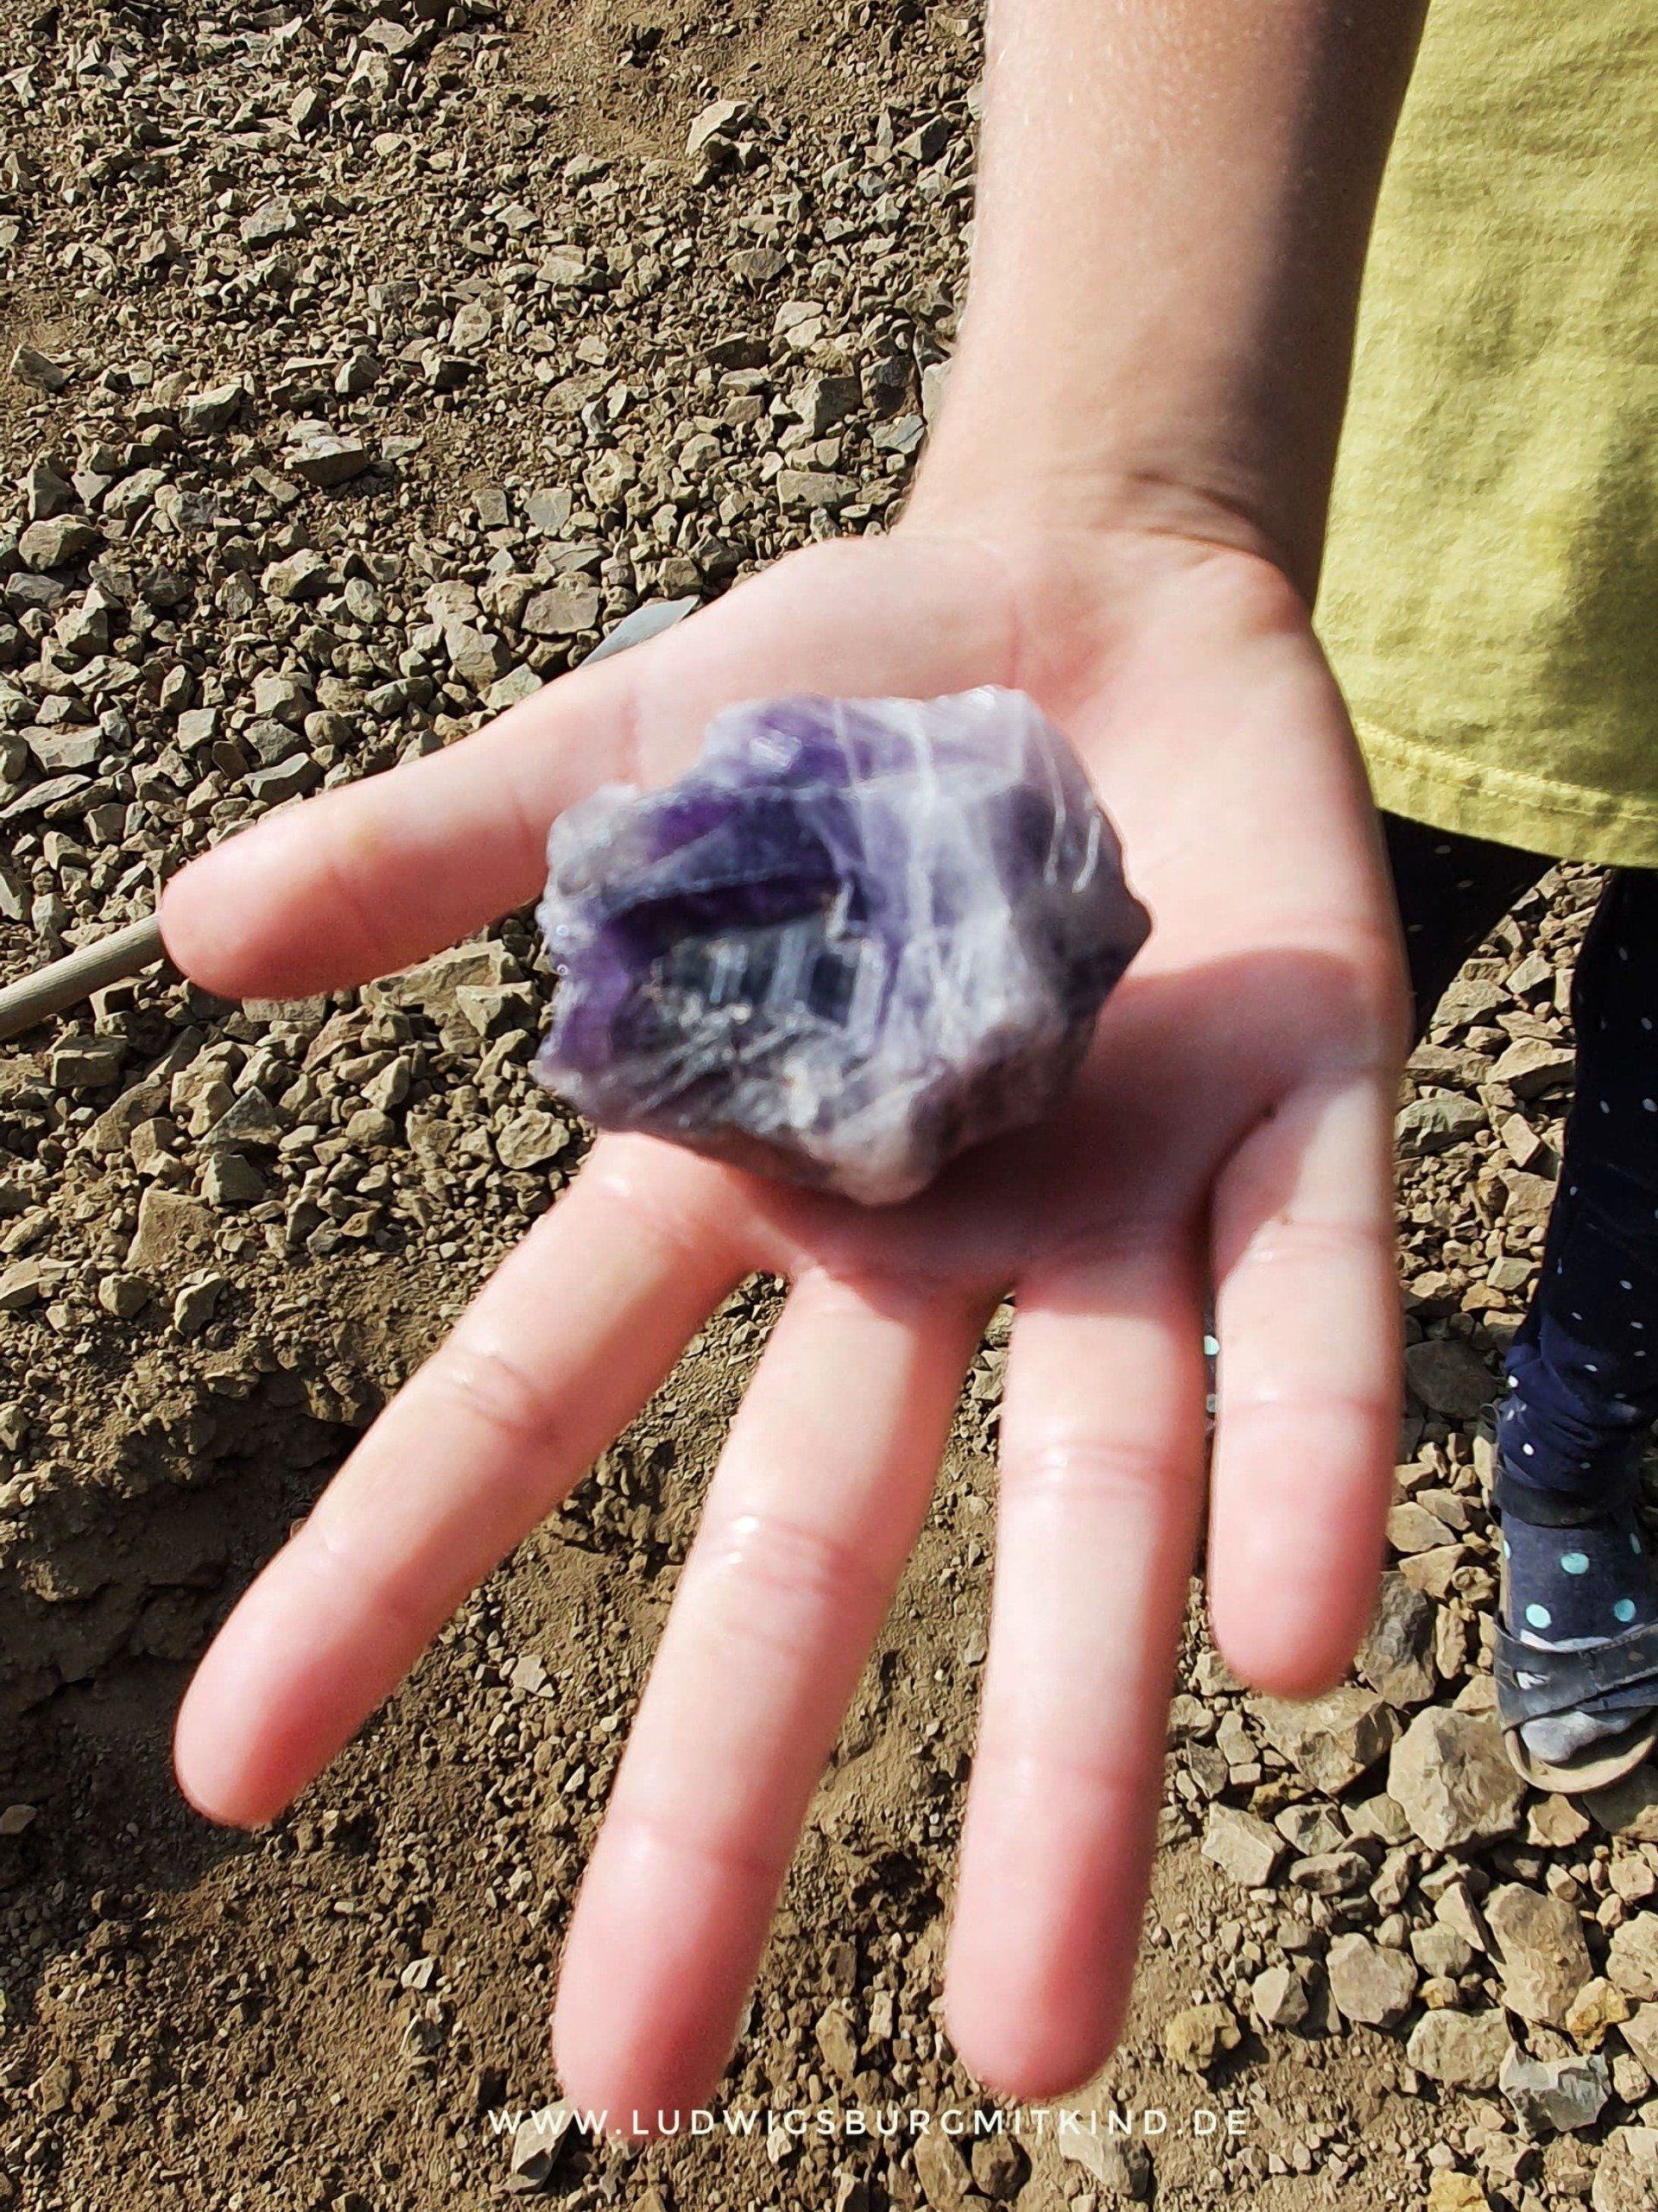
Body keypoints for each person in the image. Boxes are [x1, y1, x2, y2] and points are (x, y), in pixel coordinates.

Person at [150, 0, 1655, 2129]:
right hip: (1415, 489)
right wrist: (1119, 453)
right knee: (1321, 995)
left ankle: (1577, 1445)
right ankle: (1404, 1349)